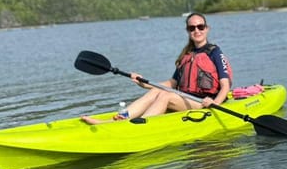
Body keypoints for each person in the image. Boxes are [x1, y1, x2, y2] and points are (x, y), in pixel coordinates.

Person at [81, 13, 232, 124]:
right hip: (187, 100)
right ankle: (122, 118)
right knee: (157, 90)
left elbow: (225, 85)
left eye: (200, 26)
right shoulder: (187, 55)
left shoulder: (214, 52)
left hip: (205, 102)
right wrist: (142, 83)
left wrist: (215, 103)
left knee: (166, 96)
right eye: (192, 28)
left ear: (207, 29)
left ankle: (141, 123)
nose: (197, 30)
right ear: (188, 31)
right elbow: (171, 83)